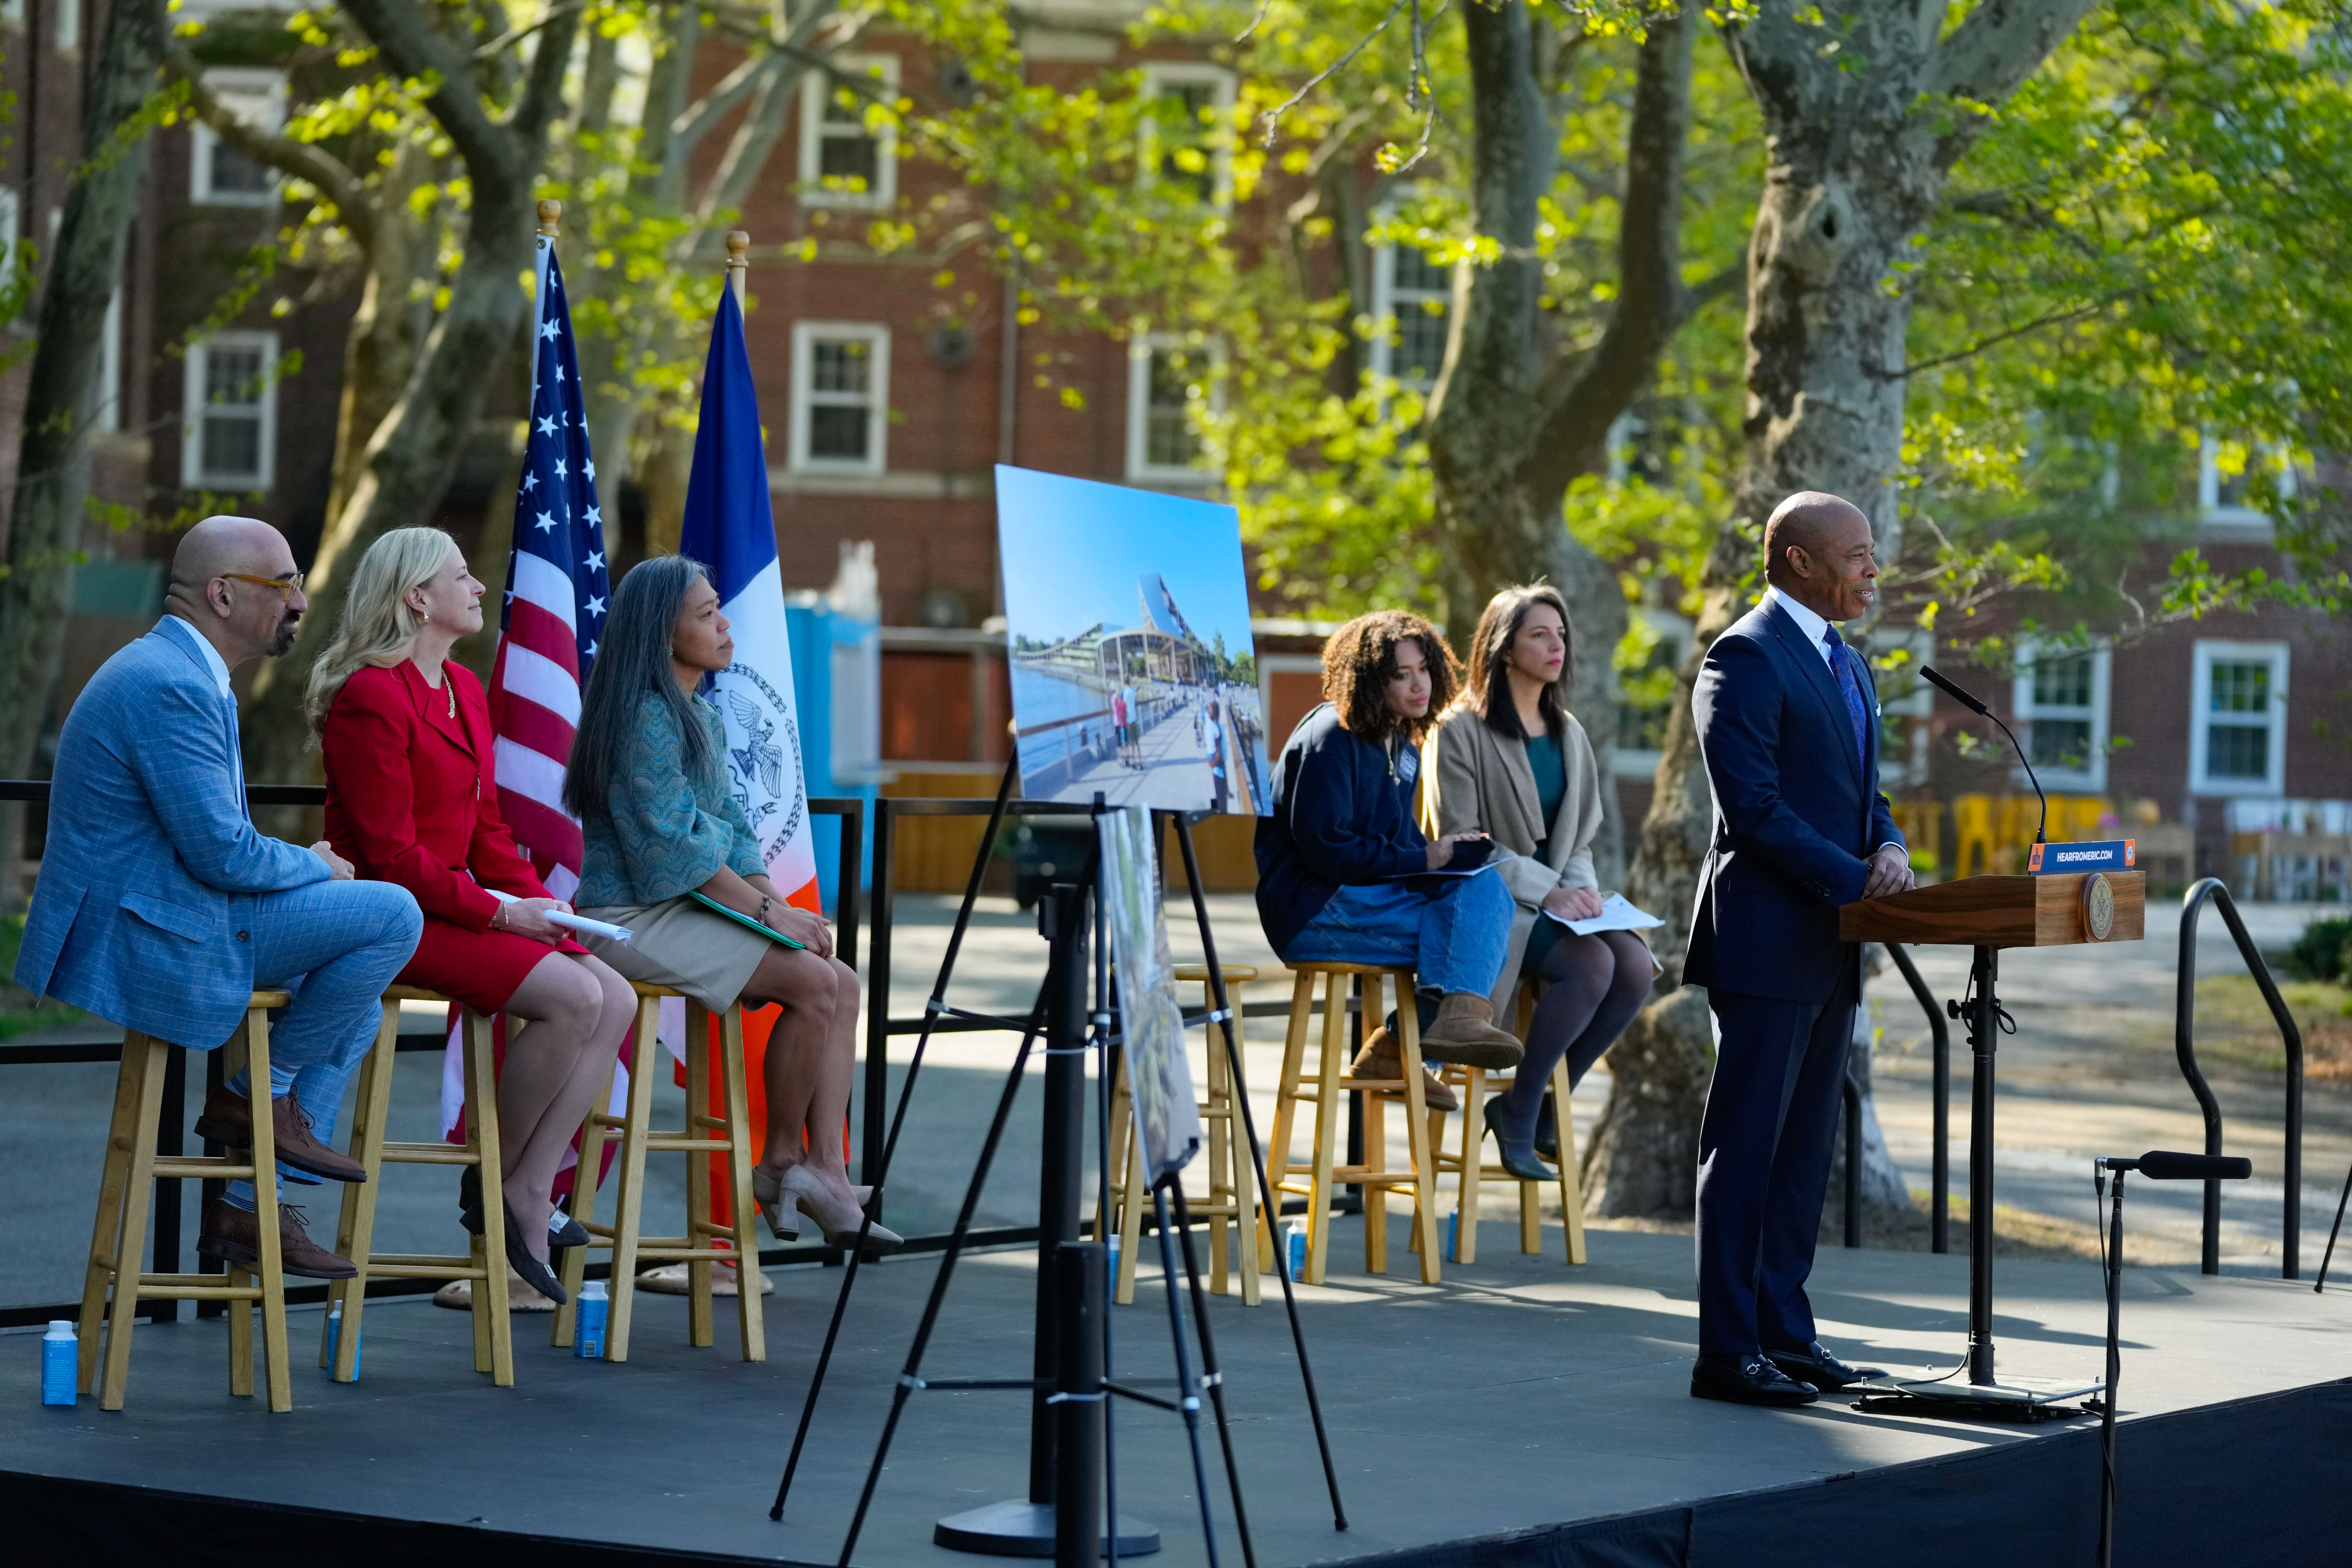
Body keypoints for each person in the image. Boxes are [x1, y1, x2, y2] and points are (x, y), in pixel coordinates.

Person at [14, 516, 423, 1279]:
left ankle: (248, 1204)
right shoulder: (169, 683)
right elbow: (223, 852)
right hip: (151, 935)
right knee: (394, 913)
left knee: (358, 1010)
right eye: (286, 584)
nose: (301, 601)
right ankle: (258, 1098)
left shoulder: (180, 670)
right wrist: (314, 864)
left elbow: (212, 847)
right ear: (223, 594)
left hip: (176, 911)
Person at [311, 527, 636, 1304]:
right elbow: (392, 859)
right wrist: (504, 915)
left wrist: (542, 904)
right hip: (389, 915)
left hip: (456, 908)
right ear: (417, 597)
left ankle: (526, 1184)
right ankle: (505, 1182)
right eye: (462, 576)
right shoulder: (371, 695)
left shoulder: (462, 687)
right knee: (575, 998)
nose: (480, 586)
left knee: (616, 997)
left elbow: (488, 832)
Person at [563, 555, 899, 1251]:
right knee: (812, 982)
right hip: (625, 917)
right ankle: (782, 1163)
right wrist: (768, 915)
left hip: (678, 905)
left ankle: (824, 1170)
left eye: (720, 609)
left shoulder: (701, 716)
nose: (724, 624)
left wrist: (783, 910)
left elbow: (736, 835)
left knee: (839, 979)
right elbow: (671, 850)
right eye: (707, 613)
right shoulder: (642, 716)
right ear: (663, 633)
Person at [1685, 491, 1913, 1408]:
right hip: (1766, 941)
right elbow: (1755, 809)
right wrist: (1856, 879)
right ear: (1799, 562)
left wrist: (1889, 846)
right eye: (1857, 555)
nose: (1873, 570)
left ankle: (1786, 1333)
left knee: (1803, 1154)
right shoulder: (1743, 656)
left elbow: (1862, 794)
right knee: (1746, 1151)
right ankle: (1727, 1352)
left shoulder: (1848, 663)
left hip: (1832, 944)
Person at [1421, 585, 1654, 1176]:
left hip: (1560, 897)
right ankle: (1521, 1108)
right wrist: (1549, 892)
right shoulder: (1458, 730)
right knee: (1593, 966)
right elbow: (1462, 839)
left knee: (1634, 965)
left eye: (1562, 635)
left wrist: (1582, 893)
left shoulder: (1569, 732)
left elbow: (1579, 838)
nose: (1557, 646)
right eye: (1540, 635)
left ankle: (1549, 1102)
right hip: (1494, 902)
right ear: (1505, 649)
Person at [1255, 611, 1523, 1071]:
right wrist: (1427, 856)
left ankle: (1401, 1048)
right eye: (1402, 675)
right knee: (1472, 936)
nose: (1420, 685)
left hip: (1364, 901)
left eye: (1424, 669)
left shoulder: (1402, 745)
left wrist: (1448, 857)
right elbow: (1329, 854)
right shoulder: (1330, 737)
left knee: (1485, 896)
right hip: (1315, 910)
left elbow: (1402, 851)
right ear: (1369, 680)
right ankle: (1417, 1050)